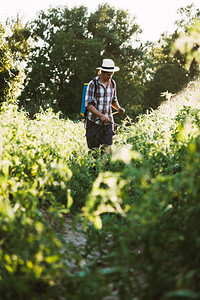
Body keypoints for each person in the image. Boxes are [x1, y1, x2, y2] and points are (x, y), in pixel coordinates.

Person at [85, 59, 125, 152]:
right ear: (102, 72)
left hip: (108, 123)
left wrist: (118, 108)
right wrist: (101, 115)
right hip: (94, 123)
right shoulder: (93, 84)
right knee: (94, 152)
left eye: (111, 74)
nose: (110, 77)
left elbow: (113, 100)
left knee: (107, 151)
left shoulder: (112, 83)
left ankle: (105, 167)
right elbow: (88, 104)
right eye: (108, 74)